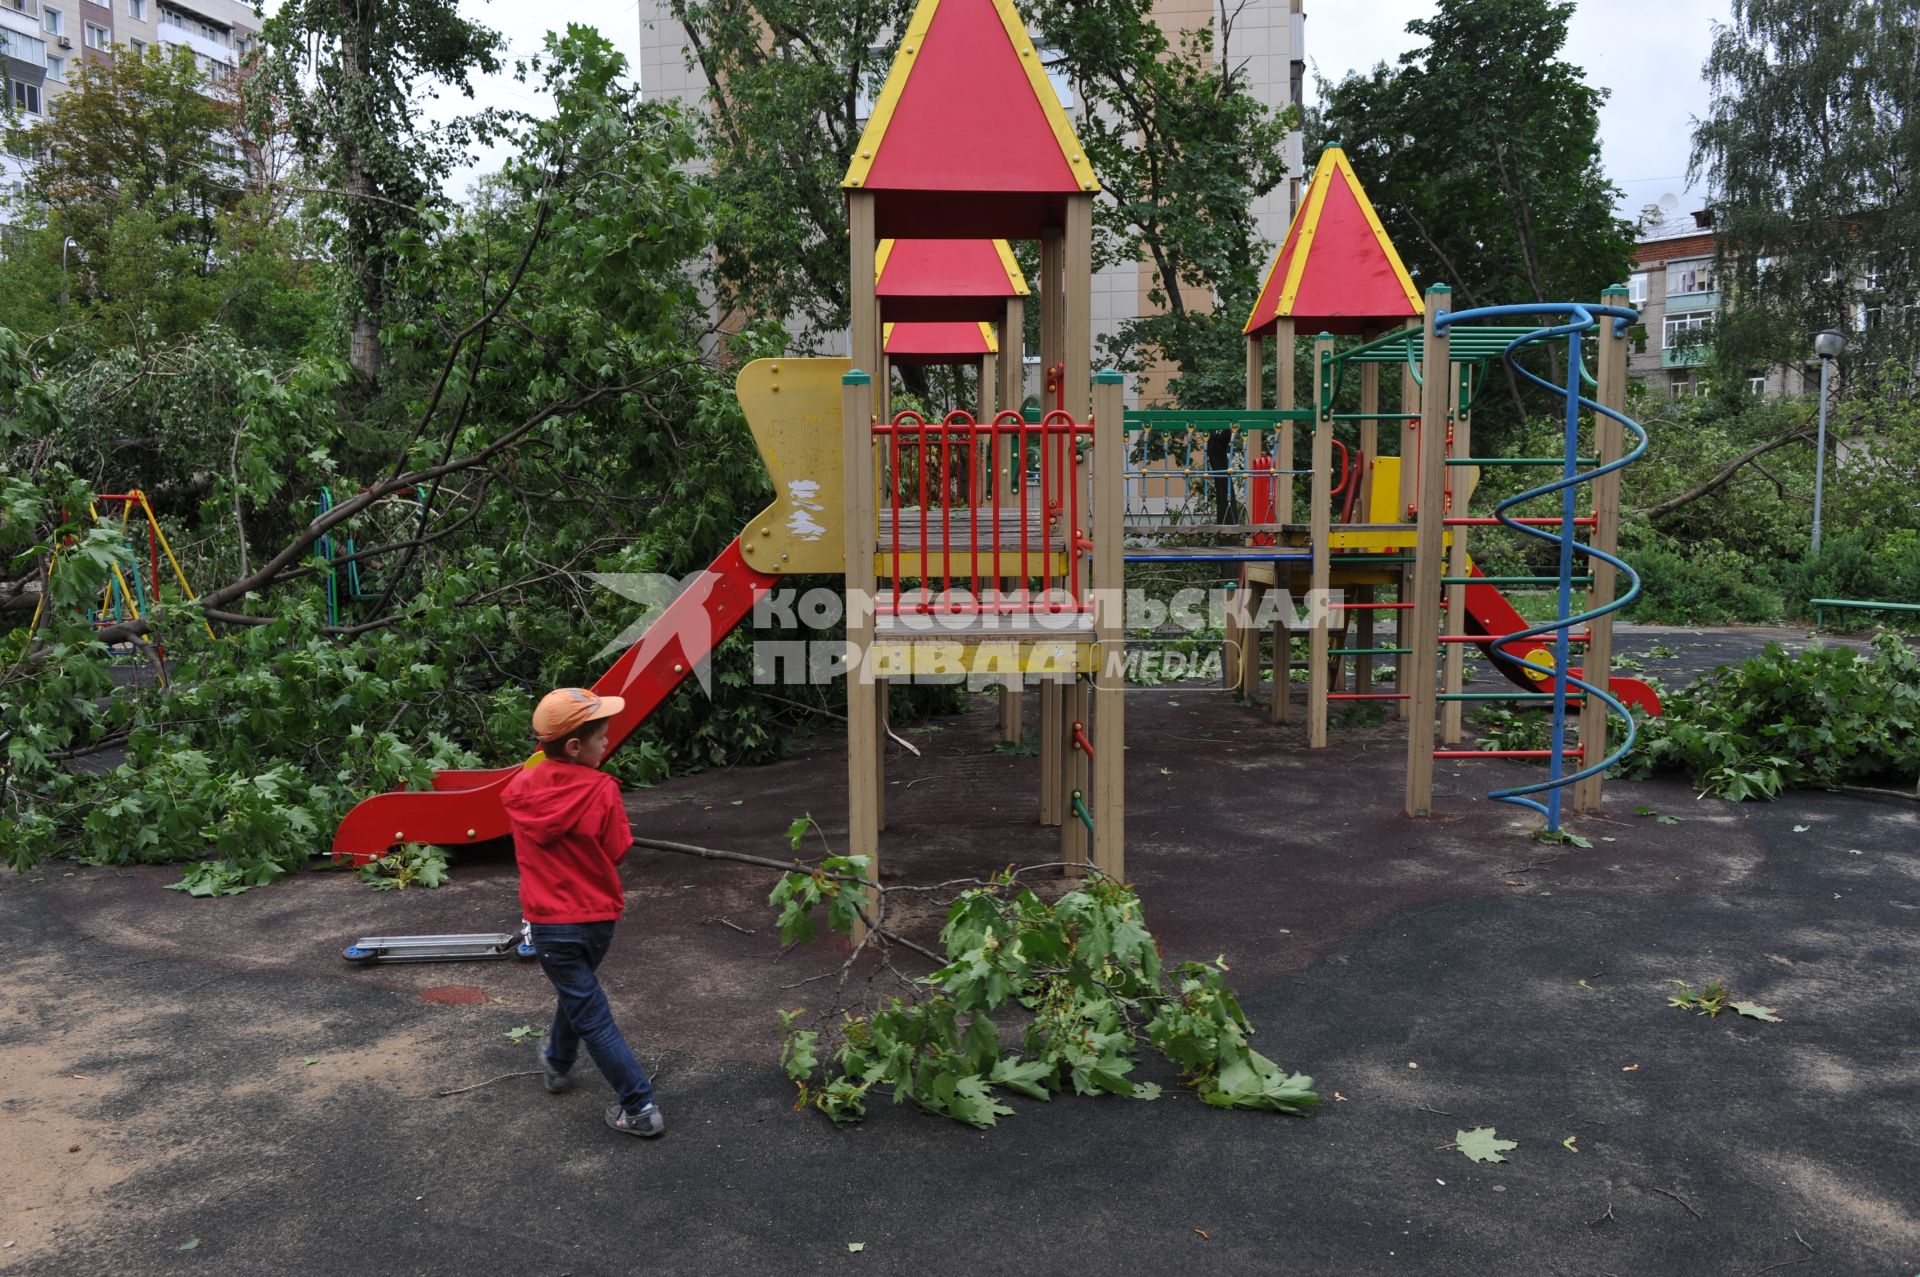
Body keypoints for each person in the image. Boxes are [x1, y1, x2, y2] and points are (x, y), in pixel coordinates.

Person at [501, 687, 664, 1139]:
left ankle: (639, 1107)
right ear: (575, 747)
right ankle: (561, 1062)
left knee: (585, 1004)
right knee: (584, 999)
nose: (606, 744)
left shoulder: (518, 790)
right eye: (601, 739)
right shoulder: (603, 790)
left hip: (551, 925)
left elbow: (538, 789)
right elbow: (616, 851)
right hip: (598, 921)